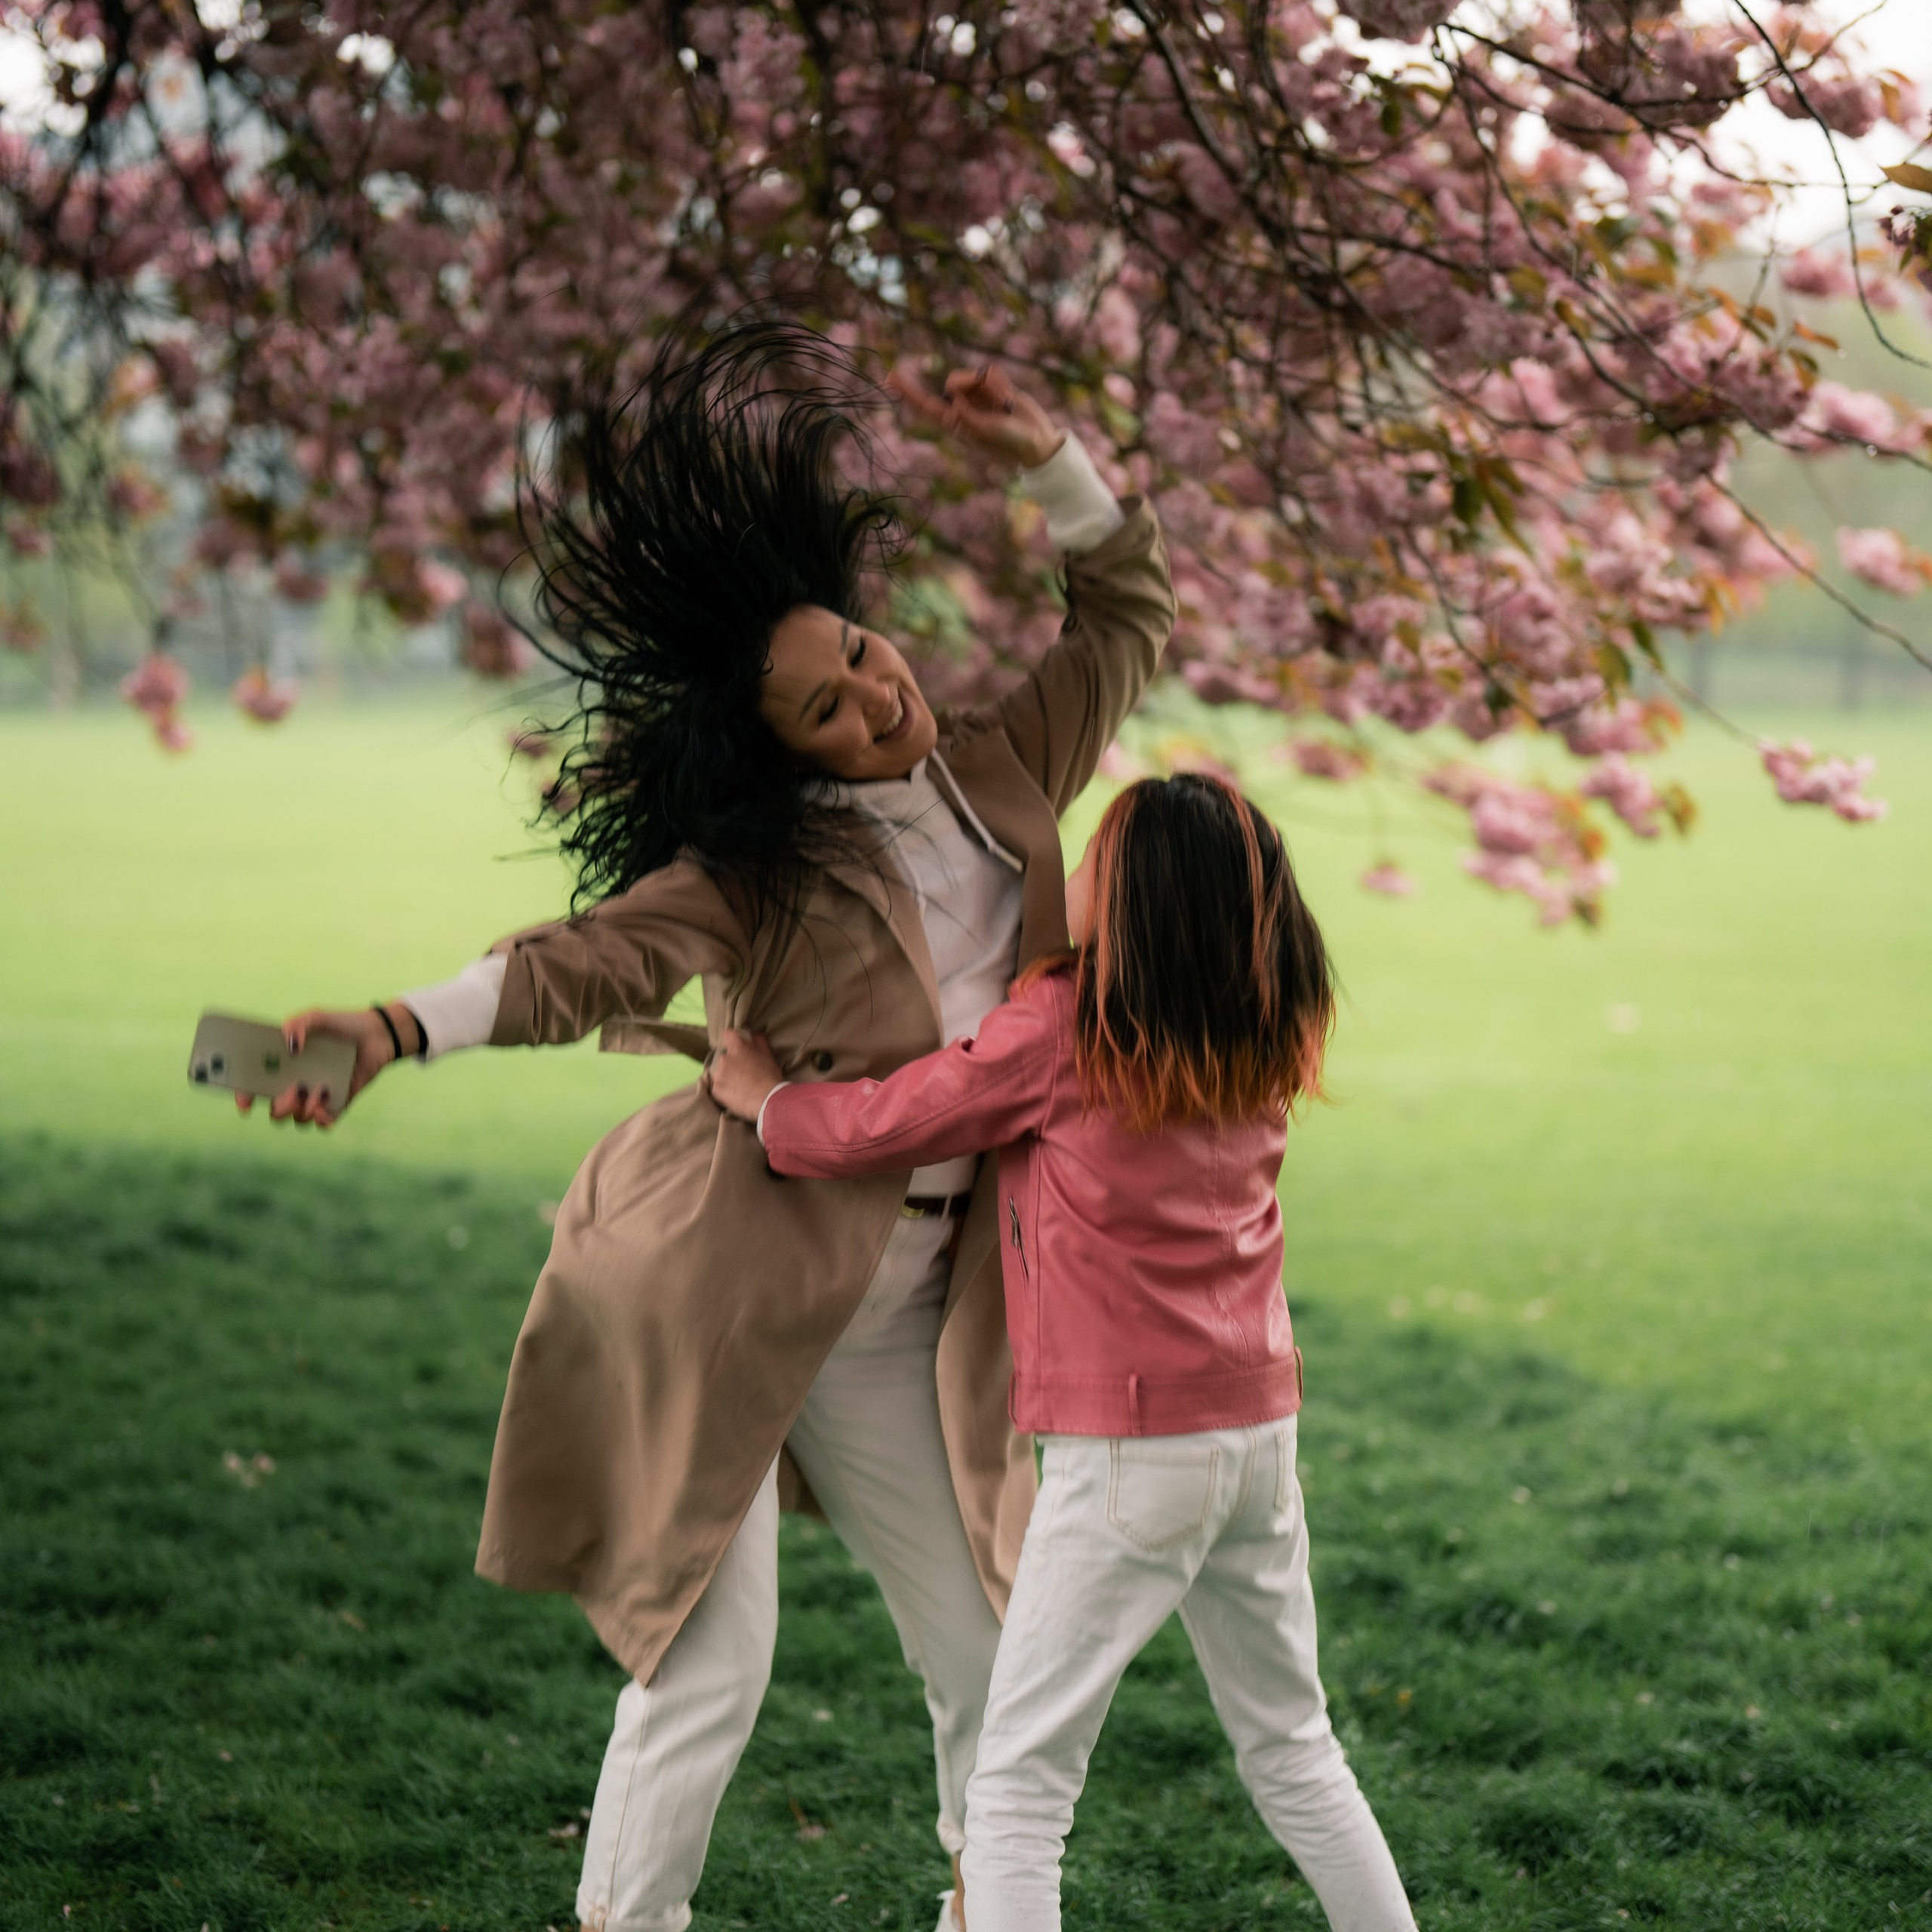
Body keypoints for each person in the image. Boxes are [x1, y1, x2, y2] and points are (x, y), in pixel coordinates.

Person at [242, 320, 1176, 1932]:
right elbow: (583, 960)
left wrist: (1045, 458)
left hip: (908, 1310)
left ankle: (987, 1908)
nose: (876, 703)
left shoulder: (1011, 772)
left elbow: (1126, 607)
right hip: (722, 1284)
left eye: (866, 660)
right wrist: (395, 1027)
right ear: (781, 749)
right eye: (826, 707)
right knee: (711, 1664)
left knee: (990, 1655)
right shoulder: (762, 872)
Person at [708, 773, 1417, 1932]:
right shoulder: (1259, 1027)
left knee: (1020, 1791)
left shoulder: (1068, 1029)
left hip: (1129, 1454)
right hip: (1255, 1438)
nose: (1068, 873)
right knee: (1295, 1747)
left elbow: (898, 1119)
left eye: (1092, 861)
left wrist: (768, 1102)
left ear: (1131, 902)